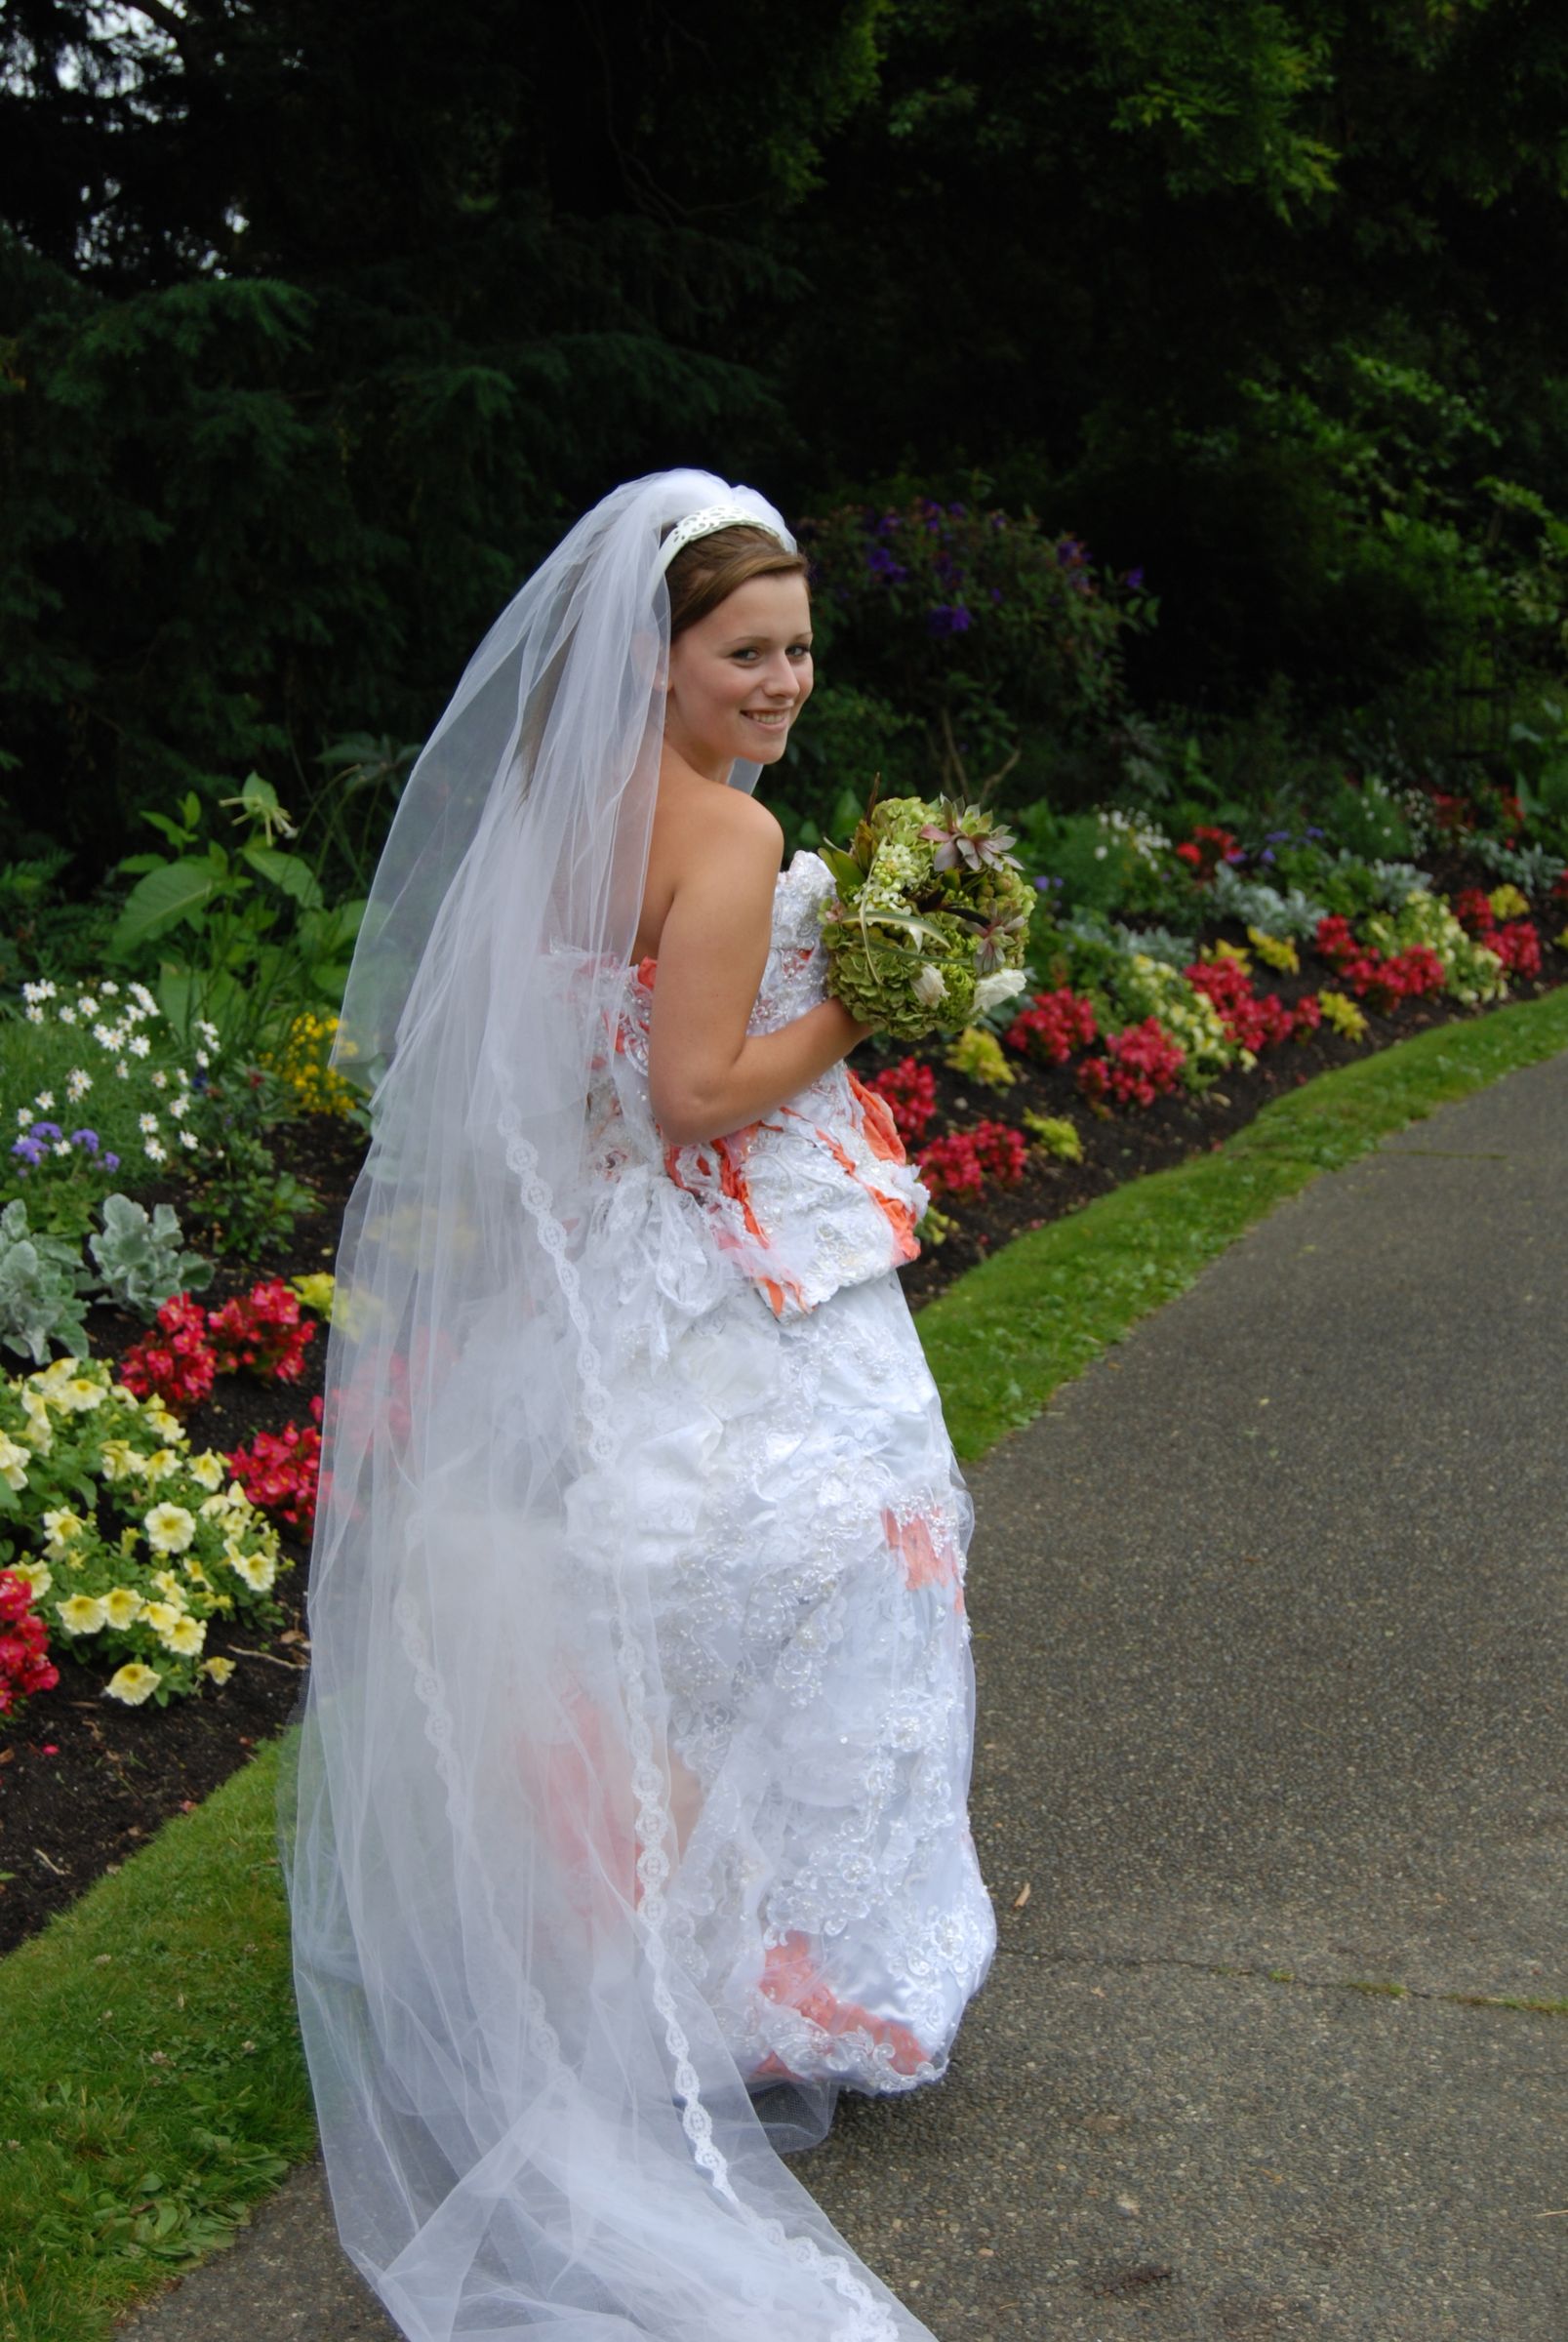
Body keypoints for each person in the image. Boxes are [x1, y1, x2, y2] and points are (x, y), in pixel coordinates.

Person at [282, 468, 995, 2342]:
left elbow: (585, 1081)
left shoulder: (563, 807)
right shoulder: (731, 847)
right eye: (746, 652)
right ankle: (789, 1996)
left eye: (802, 650)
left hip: (605, 1274)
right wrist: (872, 996)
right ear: (659, 656)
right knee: (856, 1563)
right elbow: (693, 1096)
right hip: (737, 1275)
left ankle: (640, 1962)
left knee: (644, 1615)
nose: (782, 684)